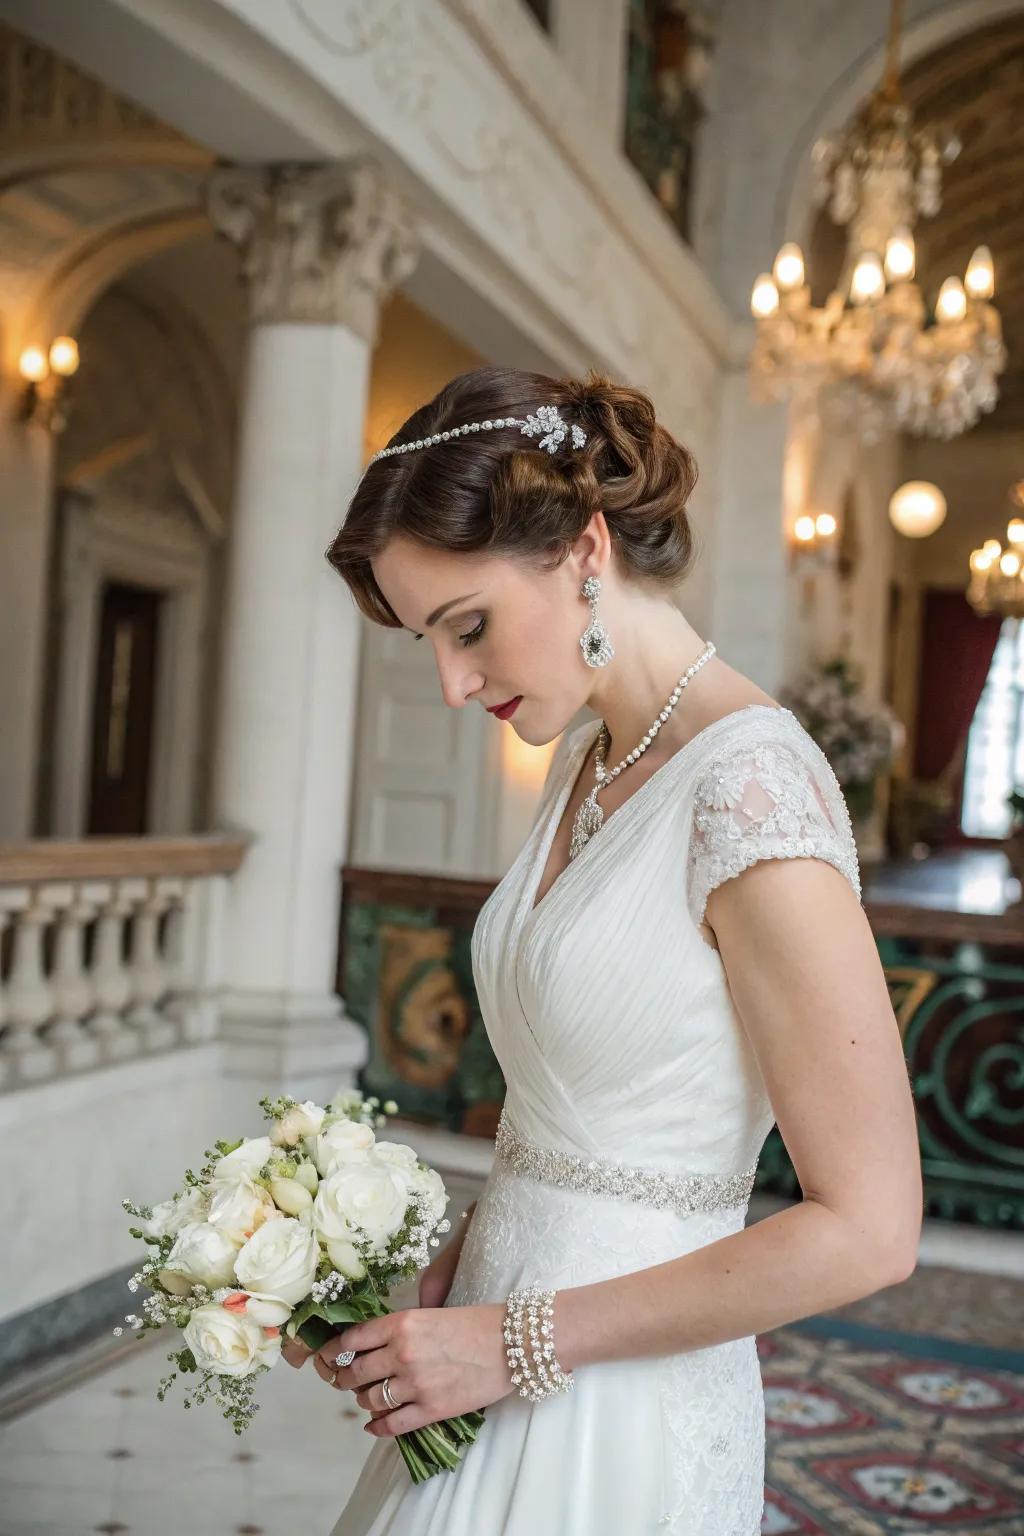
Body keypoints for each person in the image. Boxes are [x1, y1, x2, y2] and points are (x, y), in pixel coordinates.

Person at [282, 365, 922, 1534]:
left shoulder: (751, 788)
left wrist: (514, 1341)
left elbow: (871, 1232)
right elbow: (577, 1113)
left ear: (584, 550)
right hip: (486, 1342)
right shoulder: (591, 757)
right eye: (429, 641)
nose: (452, 683)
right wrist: (467, 1263)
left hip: (619, 1401)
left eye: (467, 627)